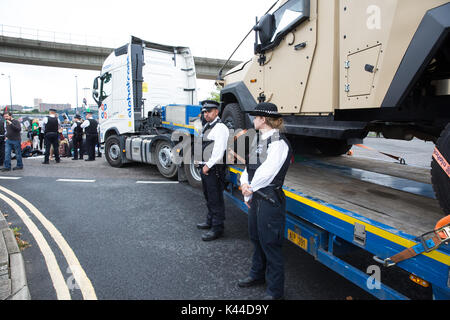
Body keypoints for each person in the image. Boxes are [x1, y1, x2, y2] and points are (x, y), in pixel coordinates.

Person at [237, 102, 292, 300]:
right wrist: (244, 184)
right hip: (257, 198)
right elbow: (249, 168)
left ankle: (275, 292)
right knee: (256, 238)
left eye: (255, 117)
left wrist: (248, 190)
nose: (253, 120)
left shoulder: (278, 143)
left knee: (271, 244)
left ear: (263, 119)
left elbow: (267, 174)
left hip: (269, 199)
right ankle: (257, 275)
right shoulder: (259, 140)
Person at [196, 100, 229, 241]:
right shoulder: (207, 126)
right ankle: (210, 221)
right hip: (205, 166)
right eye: (204, 112)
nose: (206, 114)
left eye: (209, 111)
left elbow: (218, 152)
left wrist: (207, 166)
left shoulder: (220, 128)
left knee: (215, 199)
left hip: (213, 168)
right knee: (209, 197)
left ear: (216, 111)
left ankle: (217, 228)